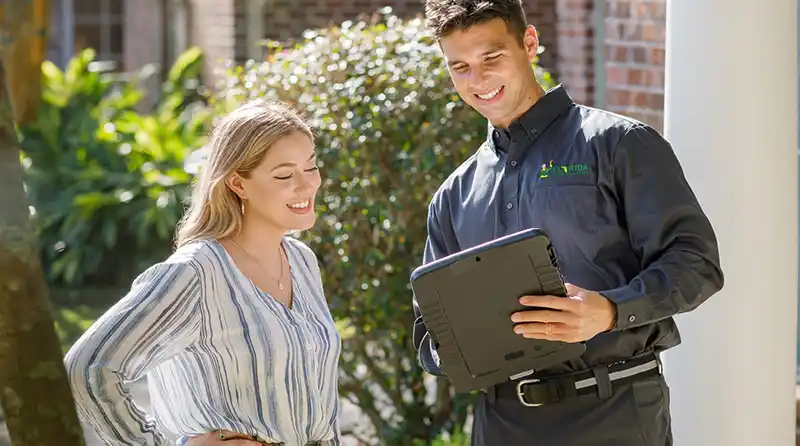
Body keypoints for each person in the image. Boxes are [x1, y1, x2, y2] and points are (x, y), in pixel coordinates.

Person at [412, 1, 724, 445]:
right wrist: (456, 350)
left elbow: (696, 264)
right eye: (459, 66)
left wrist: (610, 310)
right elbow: (429, 331)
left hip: (614, 413)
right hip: (500, 424)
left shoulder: (619, 145)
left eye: (491, 58)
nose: (477, 80)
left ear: (529, 43)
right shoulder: (453, 195)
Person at [64, 99, 342, 446]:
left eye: (311, 167)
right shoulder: (194, 274)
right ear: (238, 183)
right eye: (284, 175)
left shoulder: (301, 260)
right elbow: (88, 369)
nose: (307, 185)